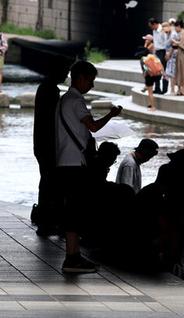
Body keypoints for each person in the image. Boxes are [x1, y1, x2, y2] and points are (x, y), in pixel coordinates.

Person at [55, 61, 122, 273]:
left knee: (72, 210)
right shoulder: (75, 101)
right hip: (74, 163)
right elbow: (92, 127)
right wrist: (111, 115)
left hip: (65, 161)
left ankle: (73, 255)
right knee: (75, 211)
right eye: (90, 80)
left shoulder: (64, 100)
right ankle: (72, 259)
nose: (91, 85)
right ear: (81, 78)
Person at [32, 62, 70, 236]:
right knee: (49, 182)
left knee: (46, 181)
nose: (65, 75)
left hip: (41, 143)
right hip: (48, 144)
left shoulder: (44, 87)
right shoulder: (51, 90)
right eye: (64, 71)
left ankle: (45, 220)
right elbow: (53, 118)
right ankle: (46, 222)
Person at [148, 18, 169, 95]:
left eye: (151, 26)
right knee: (155, 70)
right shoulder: (154, 31)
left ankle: (164, 89)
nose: (151, 28)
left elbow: (167, 42)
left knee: (163, 69)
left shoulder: (163, 30)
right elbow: (156, 42)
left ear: (155, 24)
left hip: (163, 51)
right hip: (157, 52)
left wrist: (167, 53)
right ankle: (157, 88)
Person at [173, 20, 184, 96]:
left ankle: (183, 90)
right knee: (180, 71)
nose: (175, 29)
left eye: (175, 27)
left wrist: (174, 41)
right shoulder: (182, 33)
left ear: (179, 26)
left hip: (182, 54)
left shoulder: (183, 33)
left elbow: (182, 45)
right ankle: (180, 89)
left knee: (182, 71)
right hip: (180, 54)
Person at [165, 19, 180, 95]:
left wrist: (169, 54)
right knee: (171, 73)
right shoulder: (169, 33)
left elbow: (173, 45)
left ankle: (173, 90)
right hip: (170, 54)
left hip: (172, 55)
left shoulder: (173, 34)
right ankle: (172, 89)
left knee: (172, 73)